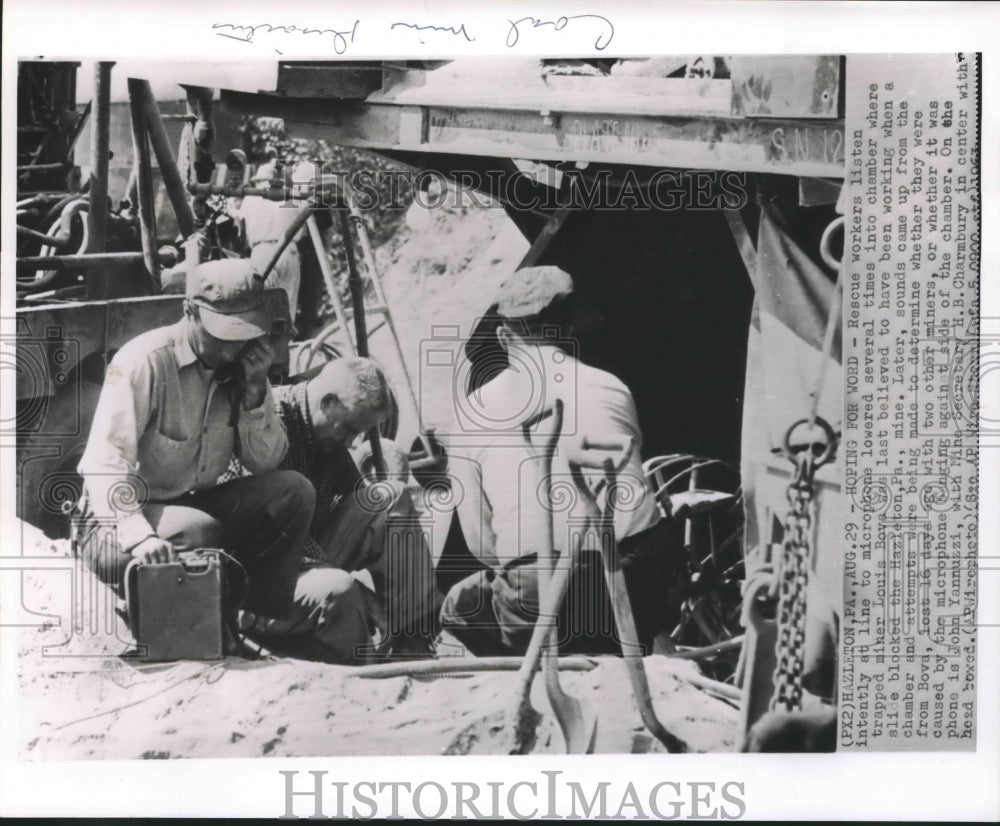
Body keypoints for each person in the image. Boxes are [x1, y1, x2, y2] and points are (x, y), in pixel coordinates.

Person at [440, 266, 687, 656]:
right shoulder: (610, 385)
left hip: (538, 597)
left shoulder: (471, 412)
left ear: (504, 336)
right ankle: (645, 640)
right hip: (633, 585)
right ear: (569, 329)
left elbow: (481, 543)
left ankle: (522, 680)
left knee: (459, 608)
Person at [76, 258, 315, 632]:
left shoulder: (244, 369)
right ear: (190, 312)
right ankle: (184, 630)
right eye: (223, 334)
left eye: (243, 333)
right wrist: (138, 536)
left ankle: (253, 619)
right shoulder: (145, 361)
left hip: (186, 507)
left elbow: (267, 464)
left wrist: (255, 392)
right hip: (113, 524)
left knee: (294, 492)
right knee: (197, 529)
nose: (232, 348)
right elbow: (104, 462)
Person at [229, 357, 439, 663]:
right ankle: (365, 669)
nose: (353, 441)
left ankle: (413, 638)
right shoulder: (272, 426)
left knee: (388, 497)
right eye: (351, 429)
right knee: (341, 588)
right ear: (327, 403)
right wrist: (366, 598)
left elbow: (358, 499)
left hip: (301, 560)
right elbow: (277, 541)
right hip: (257, 584)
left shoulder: (323, 430)